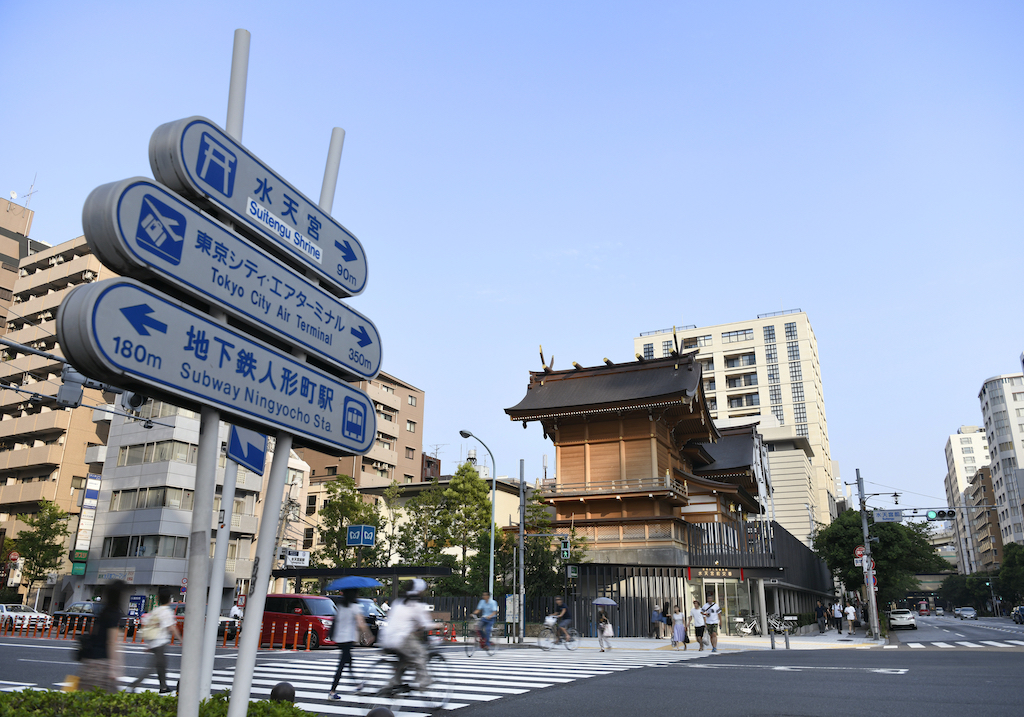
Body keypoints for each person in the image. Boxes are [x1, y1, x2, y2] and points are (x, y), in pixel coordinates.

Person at [380, 579, 434, 694]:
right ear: (419, 591)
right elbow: (425, 624)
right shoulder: (415, 605)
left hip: (386, 639)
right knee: (421, 654)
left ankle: (393, 683)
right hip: (400, 639)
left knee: (404, 661)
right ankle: (424, 681)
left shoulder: (398, 602)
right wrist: (438, 625)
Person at [78, 580, 126, 693]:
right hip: (102, 665)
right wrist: (114, 669)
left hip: (89, 663)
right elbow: (112, 642)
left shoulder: (103, 612)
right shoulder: (114, 614)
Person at [130, 587, 181, 693]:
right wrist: (181, 639)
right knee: (153, 667)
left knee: (161, 665)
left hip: (154, 642)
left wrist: (149, 645)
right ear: (169, 599)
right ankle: (134, 685)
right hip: (160, 643)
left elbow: (150, 625)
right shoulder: (166, 612)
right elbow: (171, 627)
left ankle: (163, 687)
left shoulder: (156, 610)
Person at [329, 588, 371, 699]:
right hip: (347, 640)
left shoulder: (341, 606)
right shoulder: (354, 606)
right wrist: (369, 635)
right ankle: (332, 691)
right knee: (342, 665)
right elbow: (361, 624)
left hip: (340, 639)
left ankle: (357, 685)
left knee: (348, 662)